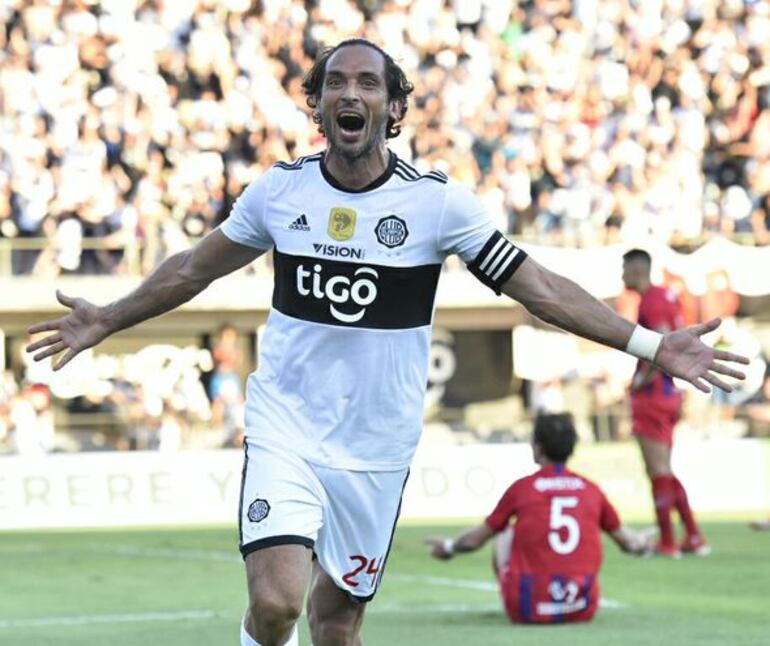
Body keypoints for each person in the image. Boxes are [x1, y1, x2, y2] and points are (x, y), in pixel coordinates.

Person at [26, 40, 748, 646]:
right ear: (317, 107)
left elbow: (541, 288)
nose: (351, 92)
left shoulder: (436, 205)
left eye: (369, 83)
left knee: (335, 628)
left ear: (394, 108)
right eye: (335, 82)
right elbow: (190, 270)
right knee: (277, 604)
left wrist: (653, 346)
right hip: (287, 429)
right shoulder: (279, 194)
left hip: (377, 448)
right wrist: (106, 318)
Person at [425, 413, 653, 624]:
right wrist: (642, 543)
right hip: (582, 608)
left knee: (504, 529)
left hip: (527, 609)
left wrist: (449, 547)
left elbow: (475, 540)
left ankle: (516, 593)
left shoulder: (523, 488)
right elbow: (627, 542)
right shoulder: (591, 489)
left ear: (538, 448)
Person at [622, 248, 710, 558]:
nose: (621, 277)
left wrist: (639, 381)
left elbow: (660, 344)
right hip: (670, 393)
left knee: (657, 470)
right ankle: (694, 536)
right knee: (666, 470)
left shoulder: (652, 299)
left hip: (653, 395)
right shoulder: (667, 296)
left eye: (624, 269)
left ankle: (668, 541)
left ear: (636, 269)